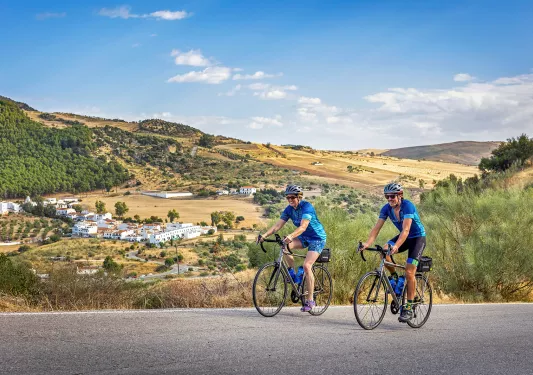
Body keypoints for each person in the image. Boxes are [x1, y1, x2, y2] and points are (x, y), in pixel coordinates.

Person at [361, 182, 426, 322]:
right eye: (387, 196)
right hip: (404, 238)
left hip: (417, 238)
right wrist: (367, 243)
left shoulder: (408, 206)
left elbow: (406, 230)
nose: (389, 199)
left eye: (392, 196)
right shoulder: (386, 208)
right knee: (384, 250)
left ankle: (408, 306)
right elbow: (376, 228)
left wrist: (396, 246)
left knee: (409, 272)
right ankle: (394, 276)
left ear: (400, 195)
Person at [256, 184, 327, 312]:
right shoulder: (289, 209)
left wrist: (291, 235)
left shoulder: (307, 207)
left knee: (307, 266)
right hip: (304, 237)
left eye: (292, 197)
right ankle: (294, 273)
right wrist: (264, 235)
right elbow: (278, 225)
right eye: (287, 197)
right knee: (285, 245)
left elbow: (303, 227)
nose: (290, 200)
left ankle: (310, 301)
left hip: (317, 238)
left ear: (299, 197)